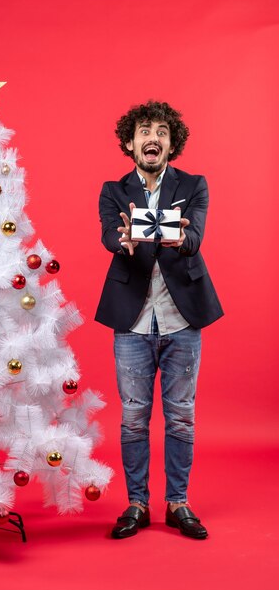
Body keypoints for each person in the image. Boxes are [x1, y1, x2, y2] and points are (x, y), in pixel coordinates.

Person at [95, 101, 223, 539]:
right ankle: (136, 503)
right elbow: (108, 231)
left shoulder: (194, 185)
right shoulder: (114, 190)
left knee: (181, 416)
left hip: (182, 320)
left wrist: (182, 235)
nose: (153, 138)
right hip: (131, 322)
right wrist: (122, 240)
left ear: (172, 143)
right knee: (133, 418)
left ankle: (177, 503)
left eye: (162, 132)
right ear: (130, 143)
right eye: (144, 131)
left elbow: (194, 238)